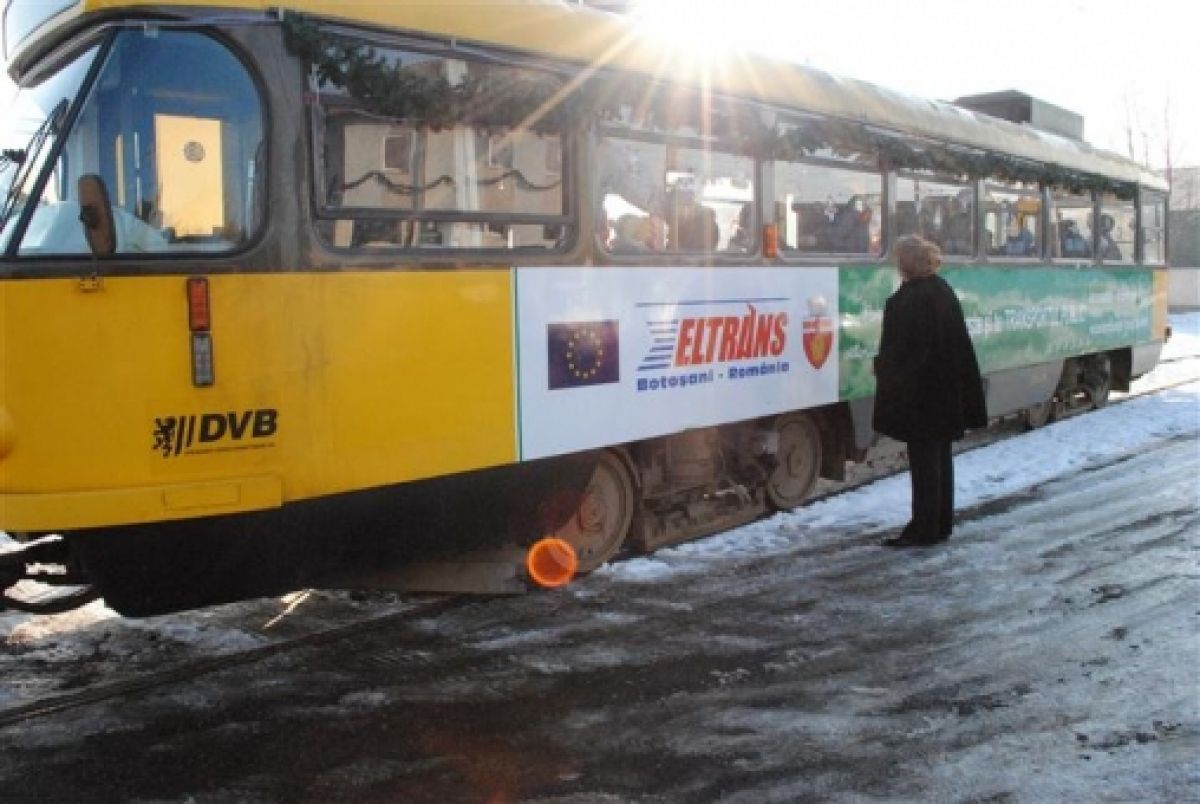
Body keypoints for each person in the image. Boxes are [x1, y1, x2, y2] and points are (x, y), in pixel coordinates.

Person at [872, 235, 988, 547]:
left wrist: (884, 368)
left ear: (907, 262)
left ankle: (923, 528)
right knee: (940, 458)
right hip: (945, 391)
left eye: (898, 258)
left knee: (924, 463)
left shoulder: (911, 299)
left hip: (922, 395)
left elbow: (907, 351)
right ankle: (940, 524)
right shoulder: (941, 290)